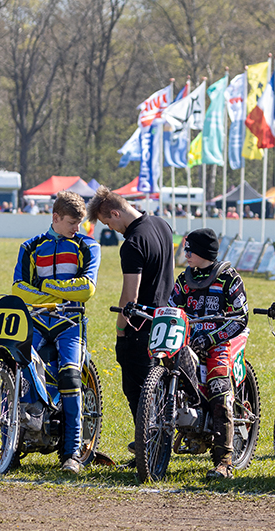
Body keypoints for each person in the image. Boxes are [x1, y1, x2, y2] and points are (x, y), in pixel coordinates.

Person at [12, 190, 101, 474]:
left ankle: (72, 453)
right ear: (55, 217)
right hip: (36, 321)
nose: (78, 229)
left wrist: (45, 287)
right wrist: (57, 292)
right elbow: (18, 289)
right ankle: (13, 444)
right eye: (72, 223)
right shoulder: (31, 246)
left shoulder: (88, 245)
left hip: (70, 323)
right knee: (19, 375)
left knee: (70, 378)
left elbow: (87, 288)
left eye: (80, 223)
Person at [86, 186, 174, 461]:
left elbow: (130, 296)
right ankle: (157, 442)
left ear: (115, 212)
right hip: (168, 319)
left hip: (142, 325)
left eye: (107, 222)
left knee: (137, 388)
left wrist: (121, 327)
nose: (111, 228)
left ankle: (149, 448)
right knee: (163, 386)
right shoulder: (162, 225)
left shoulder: (133, 243)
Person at [167, 228, 249, 479]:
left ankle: (224, 460)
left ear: (203, 252)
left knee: (219, 389)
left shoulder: (228, 278)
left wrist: (211, 337)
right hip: (186, 342)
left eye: (190, 249)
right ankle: (151, 439)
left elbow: (241, 317)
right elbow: (172, 308)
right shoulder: (183, 279)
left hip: (219, 343)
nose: (185, 253)